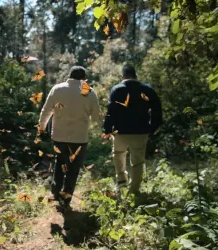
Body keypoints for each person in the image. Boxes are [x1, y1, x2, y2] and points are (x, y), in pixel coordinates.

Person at [38, 66, 101, 208]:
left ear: (69, 76)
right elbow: (97, 117)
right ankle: (66, 199)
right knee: (73, 169)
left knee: (60, 165)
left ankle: (55, 194)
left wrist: (41, 127)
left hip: (59, 137)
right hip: (79, 139)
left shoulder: (57, 89)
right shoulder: (90, 93)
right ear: (83, 79)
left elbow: (46, 110)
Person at [103, 64, 163, 195]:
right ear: (135, 75)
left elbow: (110, 111)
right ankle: (134, 190)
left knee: (118, 154)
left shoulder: (116, 89)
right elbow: (157, 109)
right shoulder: (147, 89)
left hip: (120, 130)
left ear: (123, 76)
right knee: (137, 160)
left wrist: (107, 129)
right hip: (140, 130)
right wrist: (152, 127)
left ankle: (122, 181)